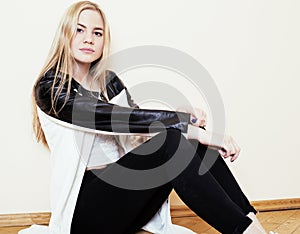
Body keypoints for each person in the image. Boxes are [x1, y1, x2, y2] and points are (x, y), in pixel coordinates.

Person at [20, 1, 276, 234]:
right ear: (65, 34)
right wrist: (191, 128)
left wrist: (184, 116)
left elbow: (140, 127)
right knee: (175, 141)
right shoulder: (51, 87)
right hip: (86, 213)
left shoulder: (108, 82)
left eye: (97, 33)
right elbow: (115, 118)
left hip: (127, 199)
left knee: (183, 142)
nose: (89, 39)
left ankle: (253, 225)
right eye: (80, 30)